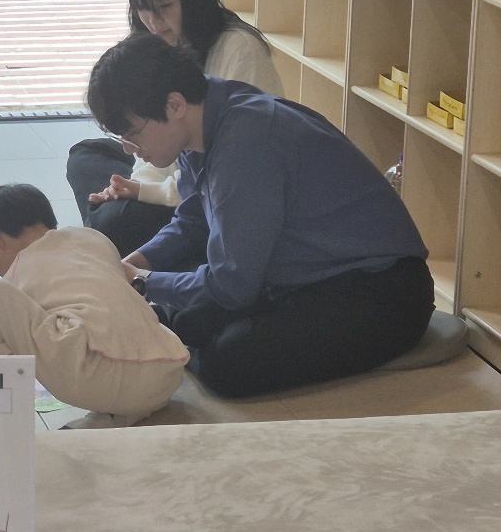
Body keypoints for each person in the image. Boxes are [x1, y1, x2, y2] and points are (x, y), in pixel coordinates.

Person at [86, 33, 434, 399]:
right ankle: (182, 326)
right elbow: (192, 221)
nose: (131, 149)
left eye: (133, 134)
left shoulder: (247, 142)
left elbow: (232, 285)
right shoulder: (202, 116)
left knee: (227, 363)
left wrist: (143, 283)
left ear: (174, 105)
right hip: (303, 275)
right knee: (194, 320)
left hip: (379, 290)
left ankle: (184, 332)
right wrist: (133, 264)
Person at [66, 0, 283, 257]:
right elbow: (153, 142)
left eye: (164, 6)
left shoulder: (239, 50)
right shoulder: (152, 43)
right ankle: (110, 231)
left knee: (114, 222)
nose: (153, 21)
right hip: (166, 171)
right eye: (142, 8)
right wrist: (128, 188)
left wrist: (142, 192)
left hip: (207, 195)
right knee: (86, 155)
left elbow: (235, 174)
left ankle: (109, 236)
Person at [0, 183, 191, 426]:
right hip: (166, 374)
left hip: (93, 374)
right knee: (123, 320)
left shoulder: (19, 266)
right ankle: (111, 419)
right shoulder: (94, 238)